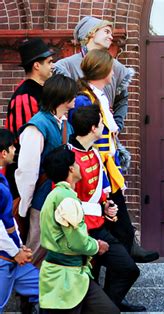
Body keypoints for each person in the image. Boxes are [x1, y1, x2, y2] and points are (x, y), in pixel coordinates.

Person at [69, 48, 158, 263]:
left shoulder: (98, 97)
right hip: (96, 168)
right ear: (104, 70)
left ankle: (126, 256)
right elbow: (85, 135)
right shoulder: (84, 99)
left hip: (107, 166)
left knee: (115, 214)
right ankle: (123, 261)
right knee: (112, 218)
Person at [39, 145, 119, 313]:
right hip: (64, 278)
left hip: (75, 275)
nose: (79, 166)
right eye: (76, 163)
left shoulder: (56, 196)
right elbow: (77, 242)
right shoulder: (66, 199)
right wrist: (97, 246)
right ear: (71, 169)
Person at [15, 74, 76, 267]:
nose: (75, 98)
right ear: (63, 97)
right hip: (42, 198)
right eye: (72, 94)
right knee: (36, 249)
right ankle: (27, 293)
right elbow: (27, 170)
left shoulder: (65, 125)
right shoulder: (37, 126)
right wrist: (25, 206)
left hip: (60, 197)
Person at [3, 38, 55, 231]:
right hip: (26, 175)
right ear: (36, 65)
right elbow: (25, 142)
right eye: (49, 62)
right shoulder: (25, 96)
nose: (52, 66)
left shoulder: (42, 92)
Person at [0, 128, 39, 313]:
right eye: (12, 147)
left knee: (46, 287)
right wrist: (16, 251)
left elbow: (7, 218)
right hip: (4, 258)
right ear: (3, 153)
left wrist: (20, 246)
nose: (15, 151)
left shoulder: (2, 180)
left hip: (13, 258)